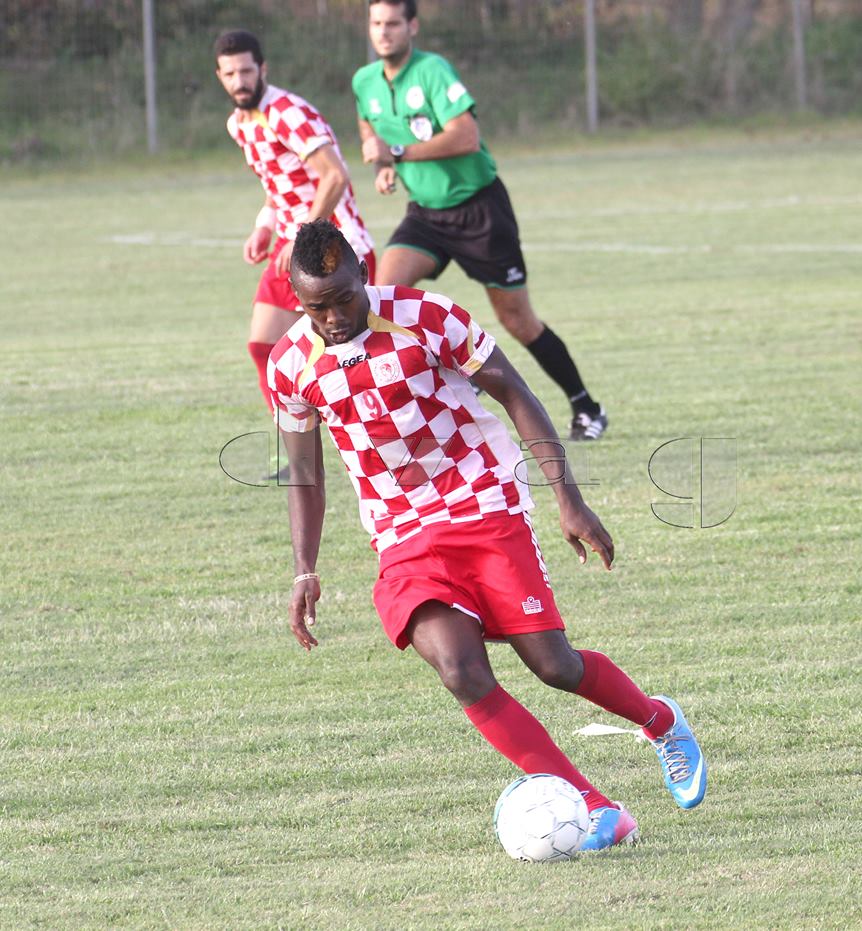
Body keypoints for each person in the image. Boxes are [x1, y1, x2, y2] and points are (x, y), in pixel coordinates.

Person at [268, 219, 706, 851]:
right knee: (459, 669)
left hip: (483, 498)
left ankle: (660, 721)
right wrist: (304, 569)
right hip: (401, 530)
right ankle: (596, 808)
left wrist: (568, 499)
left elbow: (514, 392)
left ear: (364, 275)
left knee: (554, 666)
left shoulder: (429, 317)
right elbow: (304, 474)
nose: (333, 318)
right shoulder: (289, 366)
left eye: (343, 299)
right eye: (317, 308)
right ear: (298, 299)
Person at [352, 0, 608, 442]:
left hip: (480, 210)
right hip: (425, 214)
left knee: (518, 320)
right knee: (379, 298)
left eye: (393, 23)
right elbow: (369, 127)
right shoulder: (364, 80)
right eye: (376, 23)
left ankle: (586, 407)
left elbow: (466, 137)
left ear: (412, 26)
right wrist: (382, 165)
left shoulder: (432, 71)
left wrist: (397, 152)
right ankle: (434, 398)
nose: (384, 32)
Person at [214, 29, 376, 417]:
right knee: (264, 348)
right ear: (220, 76)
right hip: (290, 245)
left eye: (246, 71)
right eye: (230, 74)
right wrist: (264, 225)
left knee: (358, 356)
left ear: (263, 69)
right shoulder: (238, 124)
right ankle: (297, 442)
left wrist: (301, 236)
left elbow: (334, 176)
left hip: (334, 245)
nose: (240, 81)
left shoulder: (287, 113)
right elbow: (279, 180)